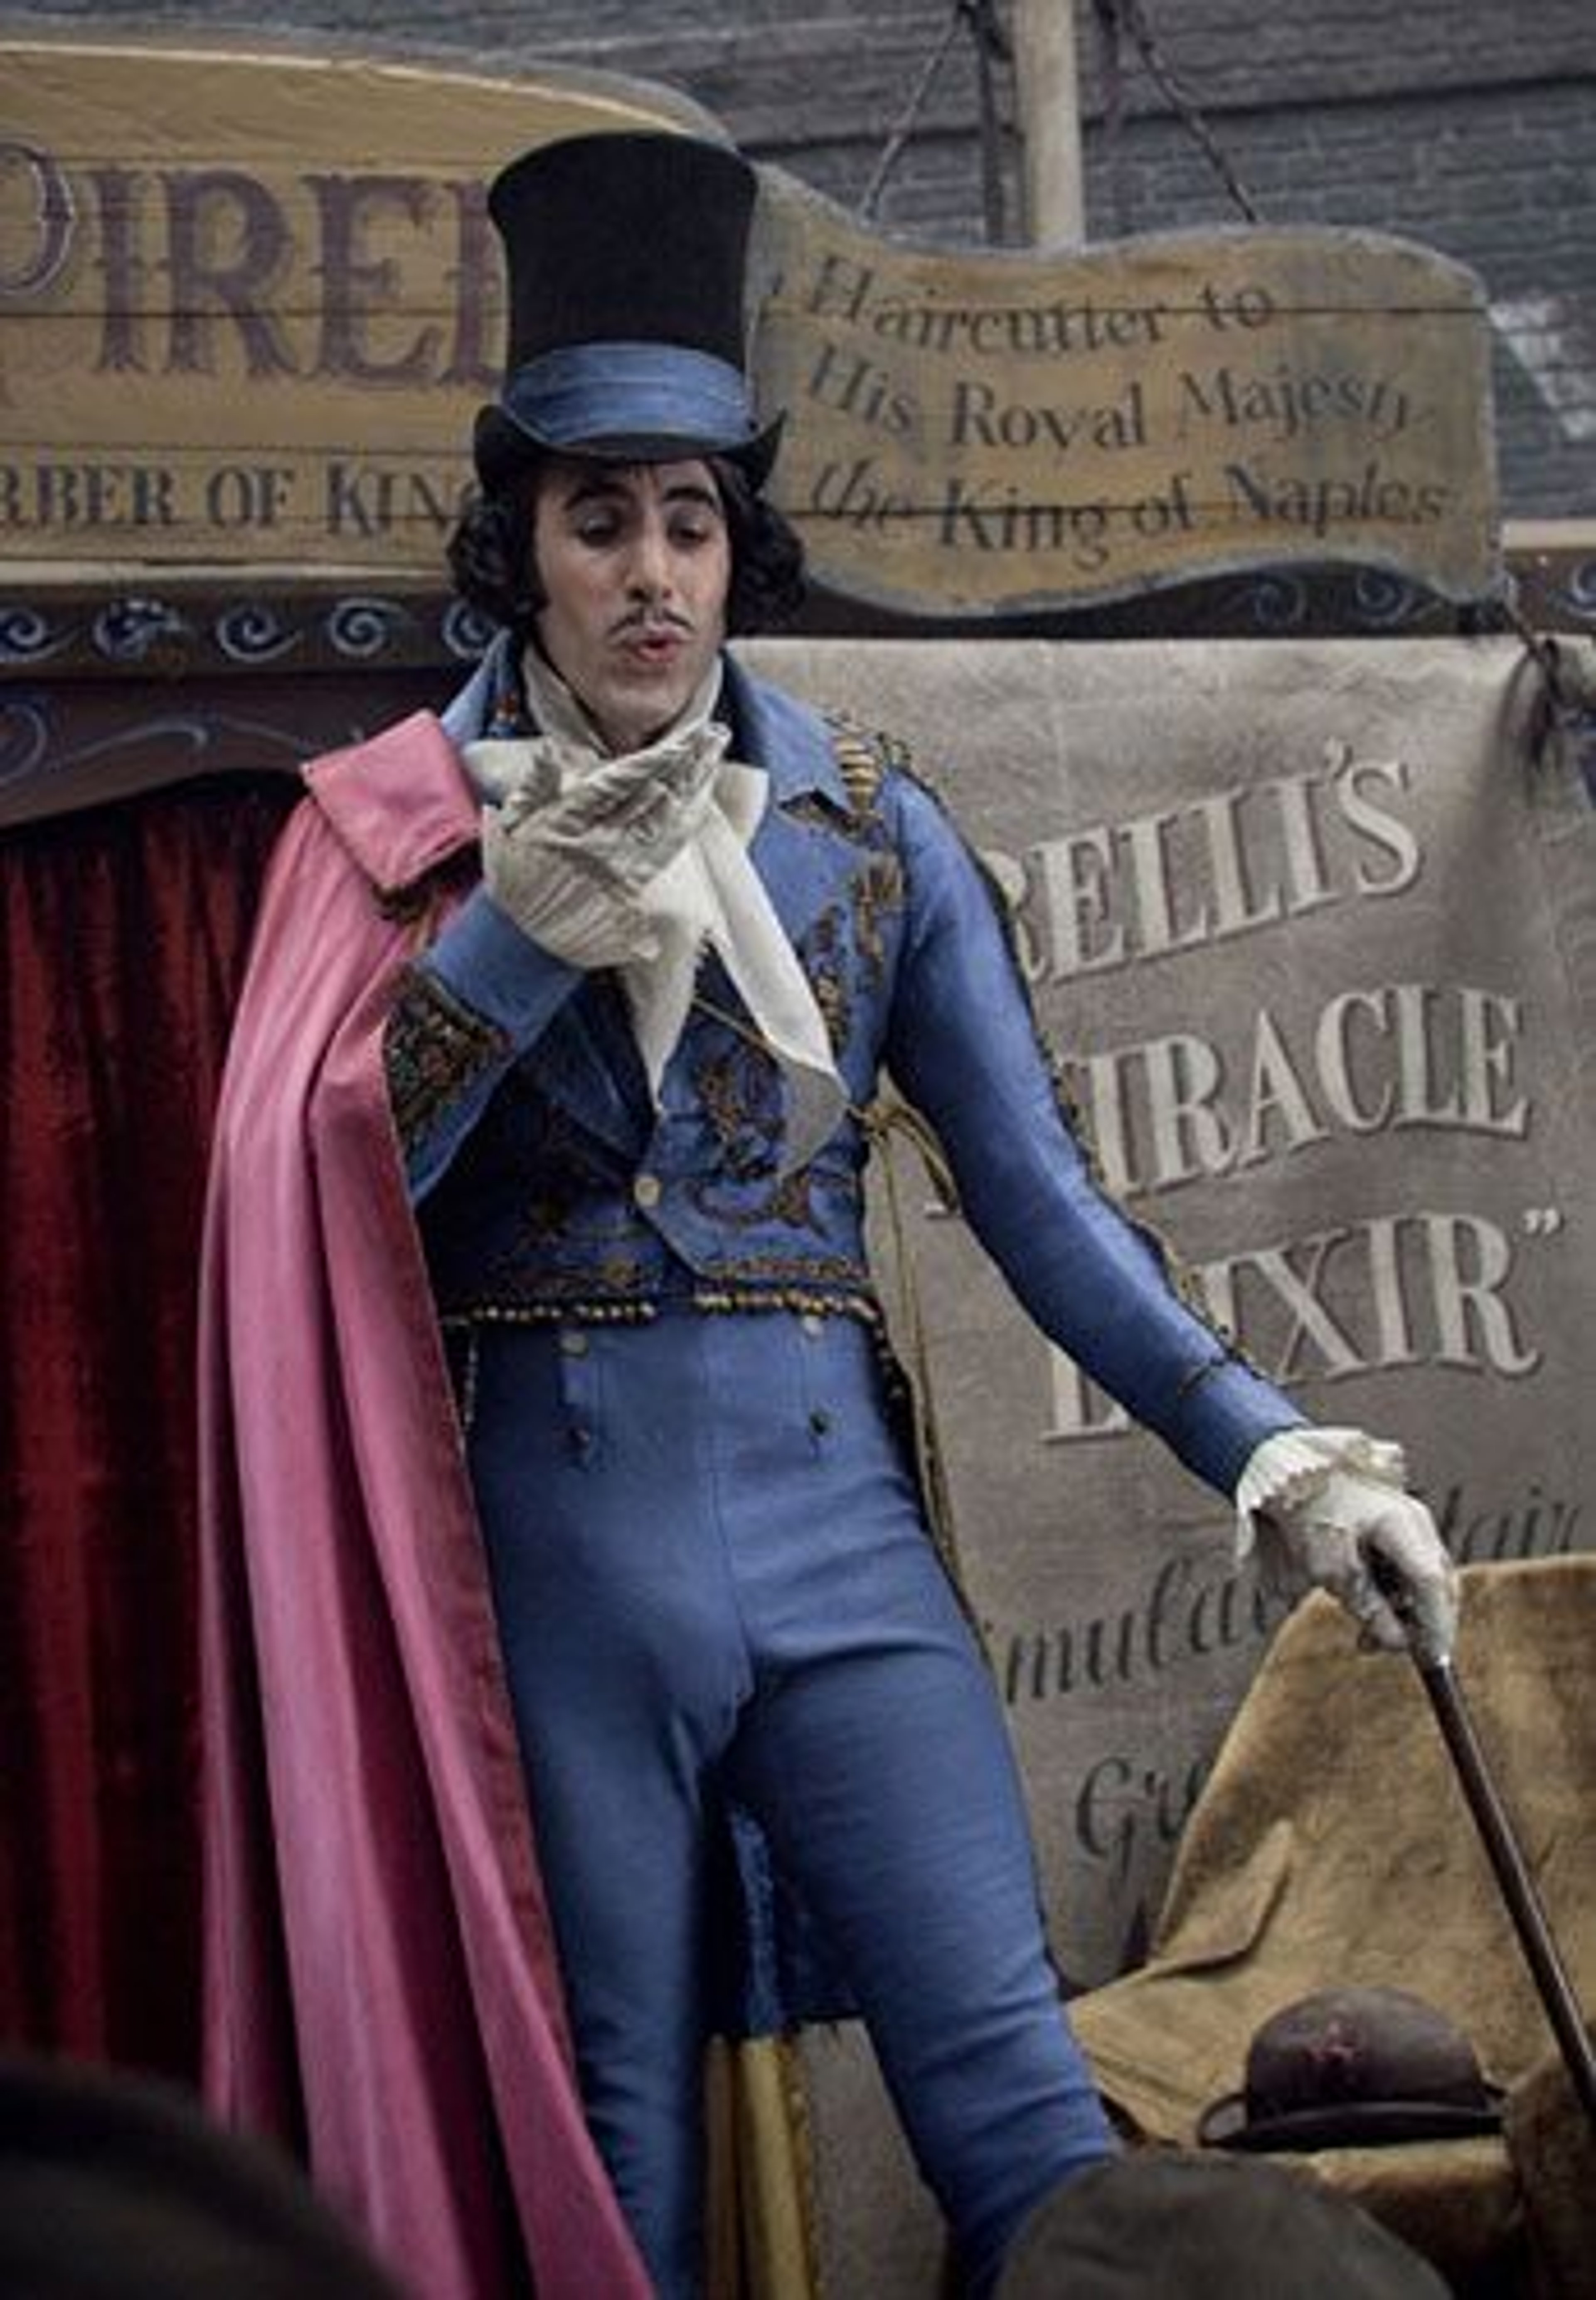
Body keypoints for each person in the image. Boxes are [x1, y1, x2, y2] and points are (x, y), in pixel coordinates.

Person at [198, 131, 1459, 2300]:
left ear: (735, 545)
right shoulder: (392, 835)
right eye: (601, 520)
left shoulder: (870, 830)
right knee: (610, 2158)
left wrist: (1280, 1454)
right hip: (554, 1583)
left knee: (1026, 2122)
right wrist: (508, 944)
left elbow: (1045, 1209)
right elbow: (311, 1208)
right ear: (524, 550)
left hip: (837, 1552)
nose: (651, 573)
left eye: (690, 520)